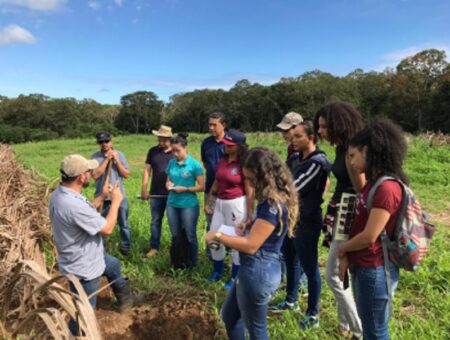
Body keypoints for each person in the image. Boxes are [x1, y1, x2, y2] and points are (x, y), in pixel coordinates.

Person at [206, 147, 299, 340]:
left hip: (258, 272)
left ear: (263, 176)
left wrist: (218, 236)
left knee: (256, 331)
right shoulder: (268, 201)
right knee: (230, 317)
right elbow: (263, 233)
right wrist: (249, 225)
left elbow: (251, 245)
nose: (248, 184)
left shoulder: (272, 205)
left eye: (250, 179)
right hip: (253, 268)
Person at [49, 154, 141, 335]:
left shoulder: (60, 194)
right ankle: (76, 335)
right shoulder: (72, 204)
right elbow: (106, 229)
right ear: (82, 176)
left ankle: (126, 299)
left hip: (88, 254)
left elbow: (84, 211)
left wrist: (102, 196)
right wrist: (115, 202)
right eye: (89, 171)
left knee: (113, 264)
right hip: (84, 266)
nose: (91, 174)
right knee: (84, 314)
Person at [338, 120, 404, 339]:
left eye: (353, 155)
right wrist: (348, 255)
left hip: (374, 269)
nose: (351, 162)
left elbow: (369, 236)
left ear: (367, 151)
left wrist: (343, 249)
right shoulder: (371, 184)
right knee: (370, 328)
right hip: (363, 265)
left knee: (375, 331)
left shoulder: (387, 188)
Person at [314, 102, 364, 338]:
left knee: (333, 274)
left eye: (324, 126)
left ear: (337, 125)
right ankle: (344, 323)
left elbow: (362, 191)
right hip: (341, 209)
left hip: (349, 211)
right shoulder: (341, 147)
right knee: (343, 272)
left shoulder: (353, 148)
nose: (320, 131)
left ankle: (360, 330)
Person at [289, 121, 331, 328]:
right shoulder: (295, 158)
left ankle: (313, 313)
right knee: (290, 260)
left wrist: (278, 189)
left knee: (310, 266)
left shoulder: (318, 162)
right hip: (290, 219)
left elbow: (293, 188)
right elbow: (281, 178)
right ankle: (291, 299)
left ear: (311, 138)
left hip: (307, 221)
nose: (293, 139)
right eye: (292, 136)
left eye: (298, 136)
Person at [204, 129, 254, 288]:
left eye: (230, 145)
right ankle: (217, 270)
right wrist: (209, 201)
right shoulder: (222, 161)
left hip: (236, 204)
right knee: (213, 237)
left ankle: (235, 276)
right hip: (220, 202)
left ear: (239, 147)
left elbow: (249, 190)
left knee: (235, 241)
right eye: (225, 143)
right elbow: (216, 182)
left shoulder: (244, 164)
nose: (226, 146)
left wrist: (249, 214)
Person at [269, 111, 307, 313]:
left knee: (296, 253)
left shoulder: (307, 152)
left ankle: (298, 290)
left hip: (298, 209)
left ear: (297, 128)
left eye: (287, 130)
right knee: (291, 253)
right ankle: (294, 289)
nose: (284, 134)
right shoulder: (291, 149)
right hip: (290, 205)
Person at [166, 133, 205, 267]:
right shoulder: (171, 163)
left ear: (185, 148)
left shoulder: (194, 164)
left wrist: (186, 189)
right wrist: (168, 185)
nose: (175, 154)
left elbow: (201, 186)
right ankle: (177, 263)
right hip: (172, 204)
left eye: (178, 150)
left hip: (188, 205)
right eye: (173, 151)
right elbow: (169, 179)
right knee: (175, 236)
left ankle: (192, 263)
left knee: (190, 235)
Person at [91, 131, 132, 255]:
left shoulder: (119, 154)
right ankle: (100, 251)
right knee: (101, 225)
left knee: (123, 224)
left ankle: (126, 249)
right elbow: (95, 175)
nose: (104, 144)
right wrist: (106, 160)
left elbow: (126, 174)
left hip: (119, 196)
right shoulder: (95, 157)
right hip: (101, 197)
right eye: (101, 142)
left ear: (111, 141)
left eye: (106, 141)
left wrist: (116, 160)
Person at [141, 125, 174, 257]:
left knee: (174, 222)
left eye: (163, 140)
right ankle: (154, 247)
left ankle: (175, 247)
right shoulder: (153, 151)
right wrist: (144, 188)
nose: (160, 142)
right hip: (156, 192)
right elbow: (147, 170)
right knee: (155, 221)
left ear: (169, 138)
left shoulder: (175, 152)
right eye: (159, 139)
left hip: (173, 193)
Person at [201, 112, 226, 256]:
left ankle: (229, 255)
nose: (211, 128)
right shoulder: (206, 143)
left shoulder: (230, 142)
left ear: (223, 125)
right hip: (210, 189)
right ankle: (213, 255)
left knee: (228, 224)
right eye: (209, 124)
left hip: (229, 193)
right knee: (211, 222)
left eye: (214, 125)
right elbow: (206, 164)